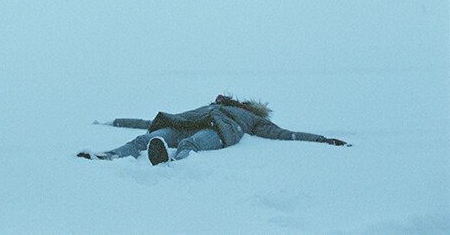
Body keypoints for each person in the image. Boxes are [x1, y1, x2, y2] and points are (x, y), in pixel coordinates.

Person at [78, 94, 350, 165]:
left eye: (223, 98)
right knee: (147, 137)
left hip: (218, 134)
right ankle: (109, 155)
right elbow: (147, 122)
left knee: (191, 145)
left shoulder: (247, 116)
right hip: (183, 126)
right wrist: (114, 122)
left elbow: (281, 133)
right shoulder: (206, 108)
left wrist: (321, 140)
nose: (217, 98)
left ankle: (170, 164)